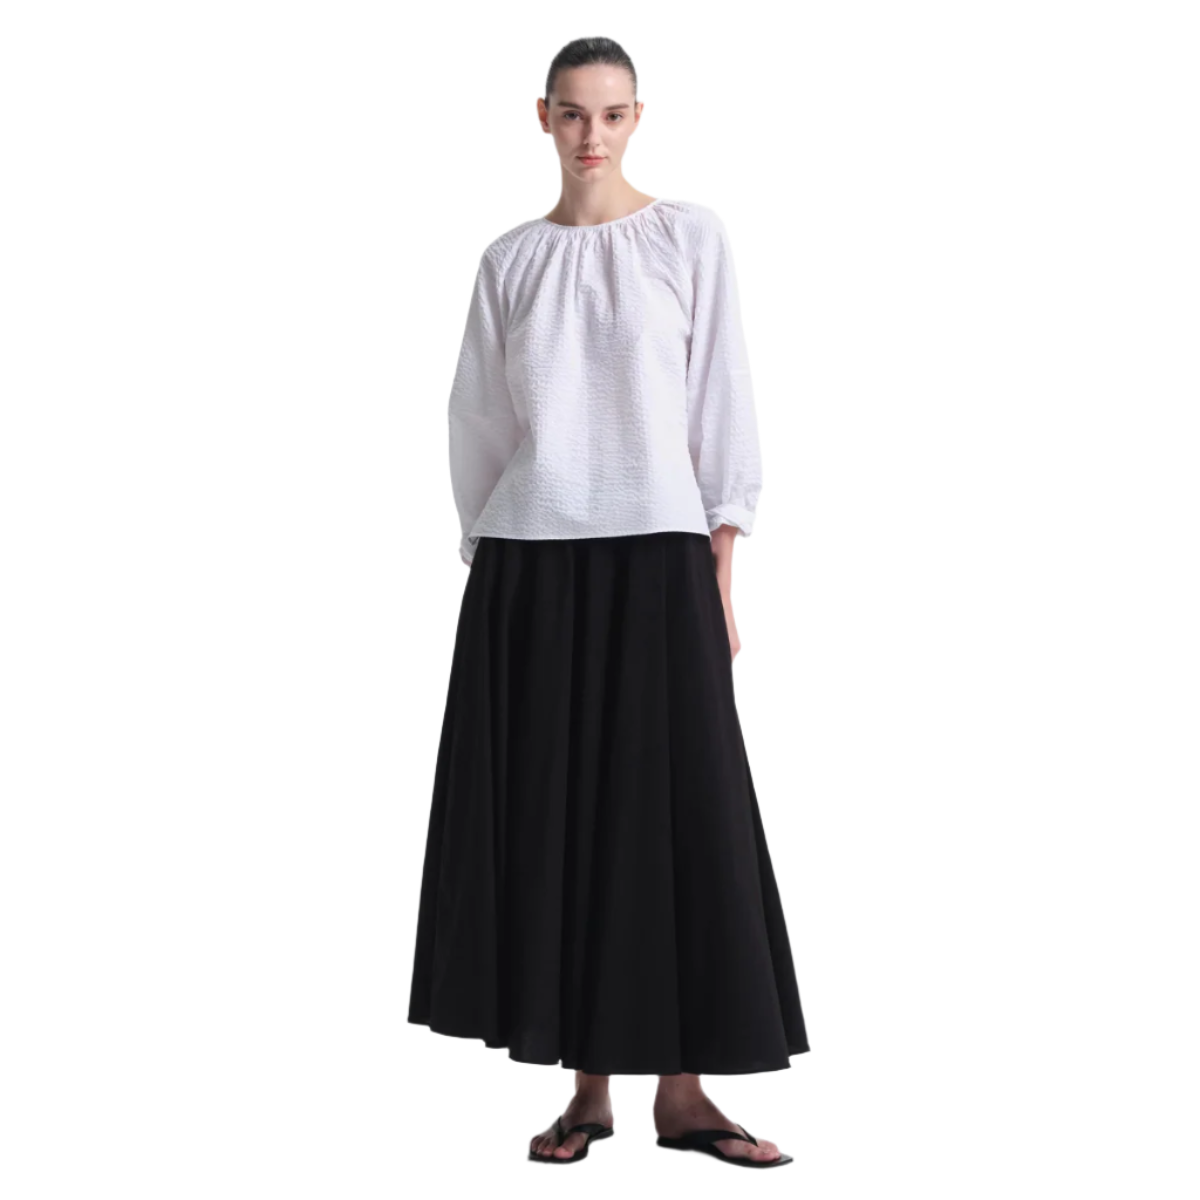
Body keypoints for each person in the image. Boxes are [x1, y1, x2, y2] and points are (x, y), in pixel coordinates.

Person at [407, 36, 809, 1169]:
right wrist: (496, 564)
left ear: (639, 118)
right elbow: (478, 418)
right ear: (543, 117)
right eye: (575, 114)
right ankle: (589, 1091)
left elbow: (721, 397)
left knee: (680, 815)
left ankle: (684, 1096)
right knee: (560, 819)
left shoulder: (689, 237)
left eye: (614, 114)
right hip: (531, 564)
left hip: (661, 558)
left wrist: (720, 569)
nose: (594, 135)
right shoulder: (510, 260)